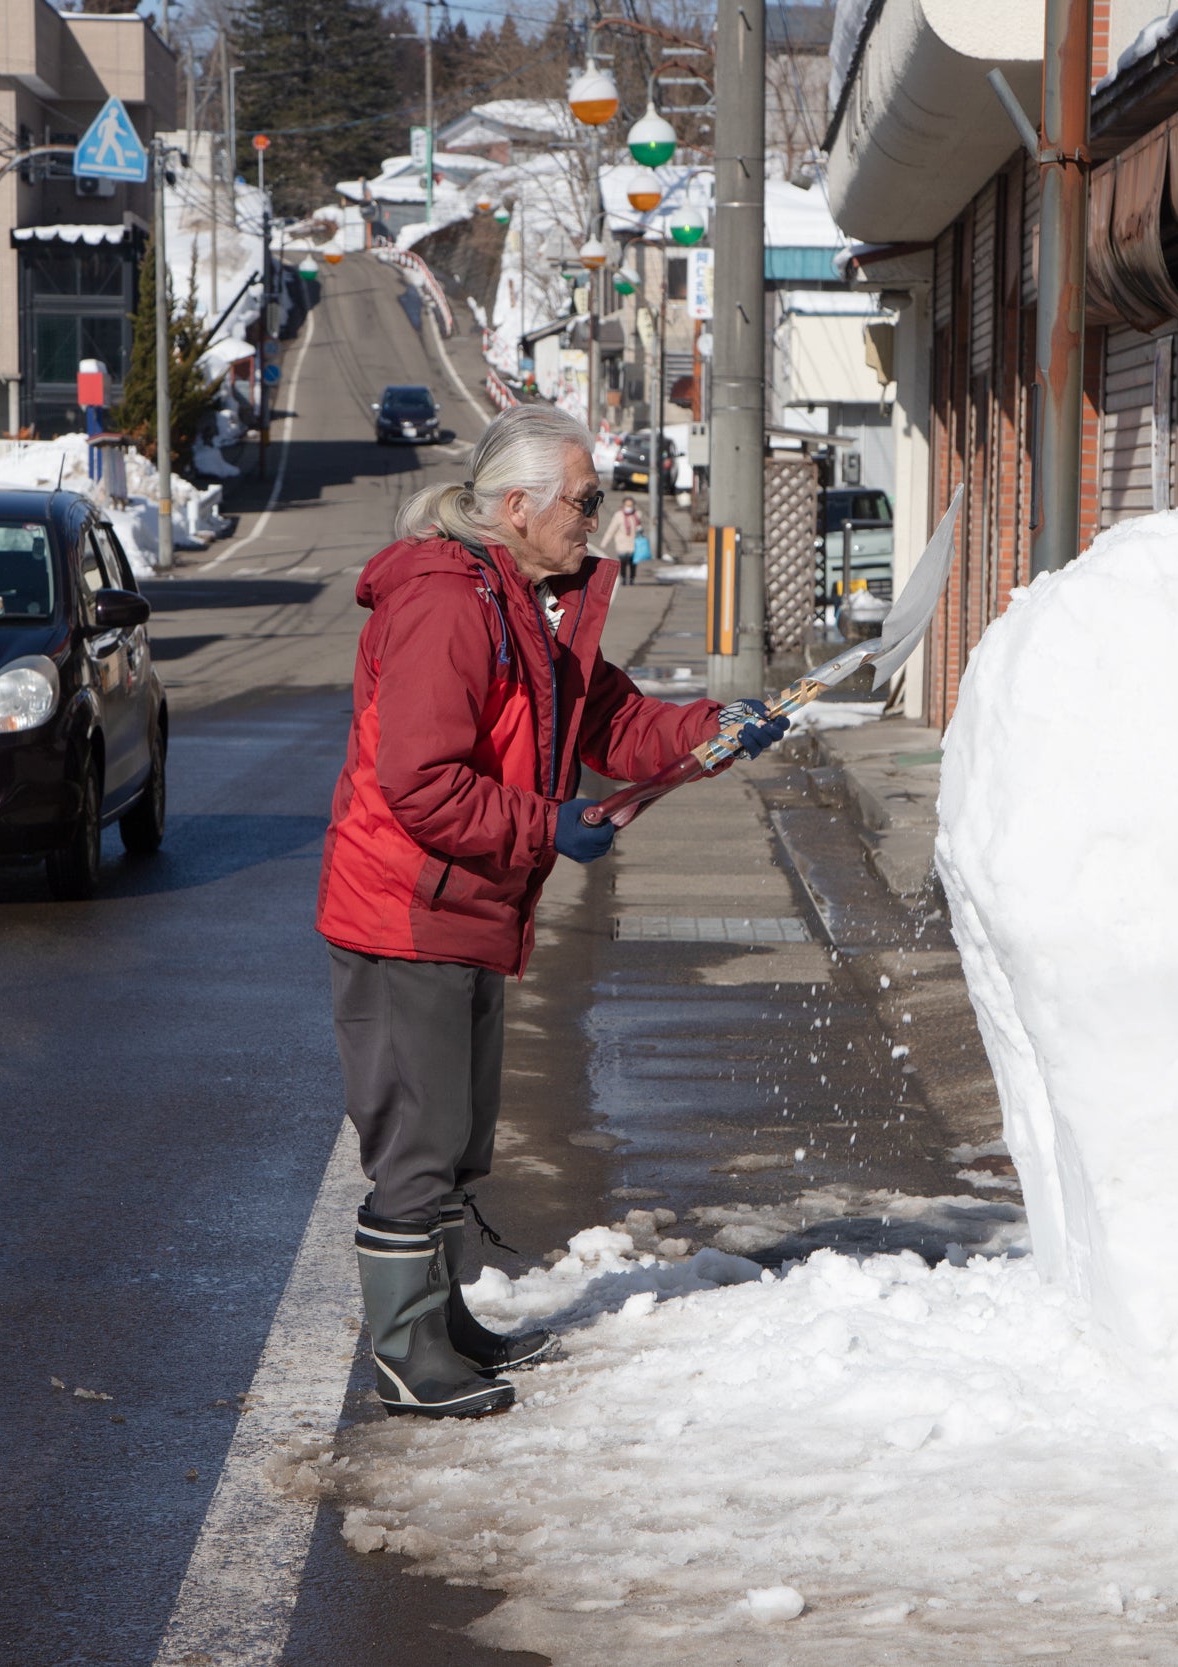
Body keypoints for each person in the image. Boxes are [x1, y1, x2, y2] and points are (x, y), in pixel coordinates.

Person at [317, 405, 788, 1418]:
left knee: (455, 1138)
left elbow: (611, 718)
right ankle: (405, 1354)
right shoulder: (448, 605)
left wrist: (717, 726)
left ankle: (442, 1326)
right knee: (416, 1143)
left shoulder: (524, 606)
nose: (596, 516)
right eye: (583, 499)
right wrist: (548, 824)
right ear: (517, 506)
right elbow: (420, 784)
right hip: (406, 912)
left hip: (466, 906)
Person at [615, 498, 644, 587]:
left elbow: (640, 527)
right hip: (622, 544)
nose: (629, 507)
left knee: (633, 563)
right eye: (627, 505)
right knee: (623, 562)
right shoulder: (619, 515)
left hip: (634, 543)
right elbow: (612, 529)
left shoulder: (637, 515)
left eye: (631, 505)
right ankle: (623, 578)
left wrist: (640, 529)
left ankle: (632, 578)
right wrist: (604, 542)